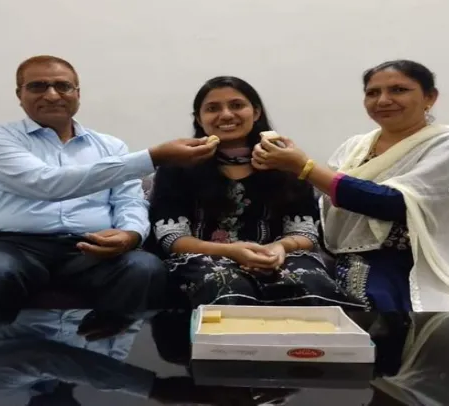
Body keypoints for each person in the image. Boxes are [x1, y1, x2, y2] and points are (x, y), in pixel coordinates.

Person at [0, 55, 220, 337]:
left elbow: (130, 201)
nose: (52, 95)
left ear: (77, 93)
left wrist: (131, 234)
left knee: (144, 268)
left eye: (62, 86)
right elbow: (46, 184)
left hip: (90, 246)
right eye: (38, 86)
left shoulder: (111, 146)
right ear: (20, 95)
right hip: (13, 245)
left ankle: (107, 352)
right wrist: (153, 157)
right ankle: (13, 360)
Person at [251, 59, 449, 311]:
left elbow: (394, 204)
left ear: (430, 97)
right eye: (373, 93)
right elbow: (325, 205)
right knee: (362, 304)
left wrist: (303, 167)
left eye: (399, 90)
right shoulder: (354, 146)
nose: (383, 100)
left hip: (443, 256)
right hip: (365, 256)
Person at [147, 76, 365, 309]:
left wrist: (279, 248)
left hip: (280, 256)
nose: (227, 114)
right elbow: (172, 238)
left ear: (256, 112)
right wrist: (230, 251)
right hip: (202, 257)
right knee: (226, 287)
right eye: (213, 109)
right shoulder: (177, 166)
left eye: (237, 105)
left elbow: (305, 231)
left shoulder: (287, 163)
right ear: (199, 119)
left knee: (309, 283)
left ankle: (309, 348)